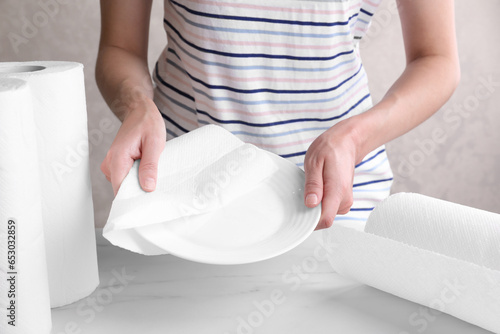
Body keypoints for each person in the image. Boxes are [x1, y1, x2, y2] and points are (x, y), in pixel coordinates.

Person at [96, 0, 460, 230]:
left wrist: (354, 138)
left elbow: (437, 59)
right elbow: (119, 46)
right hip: (185, 191)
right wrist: (137, 106)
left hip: (337, 196)